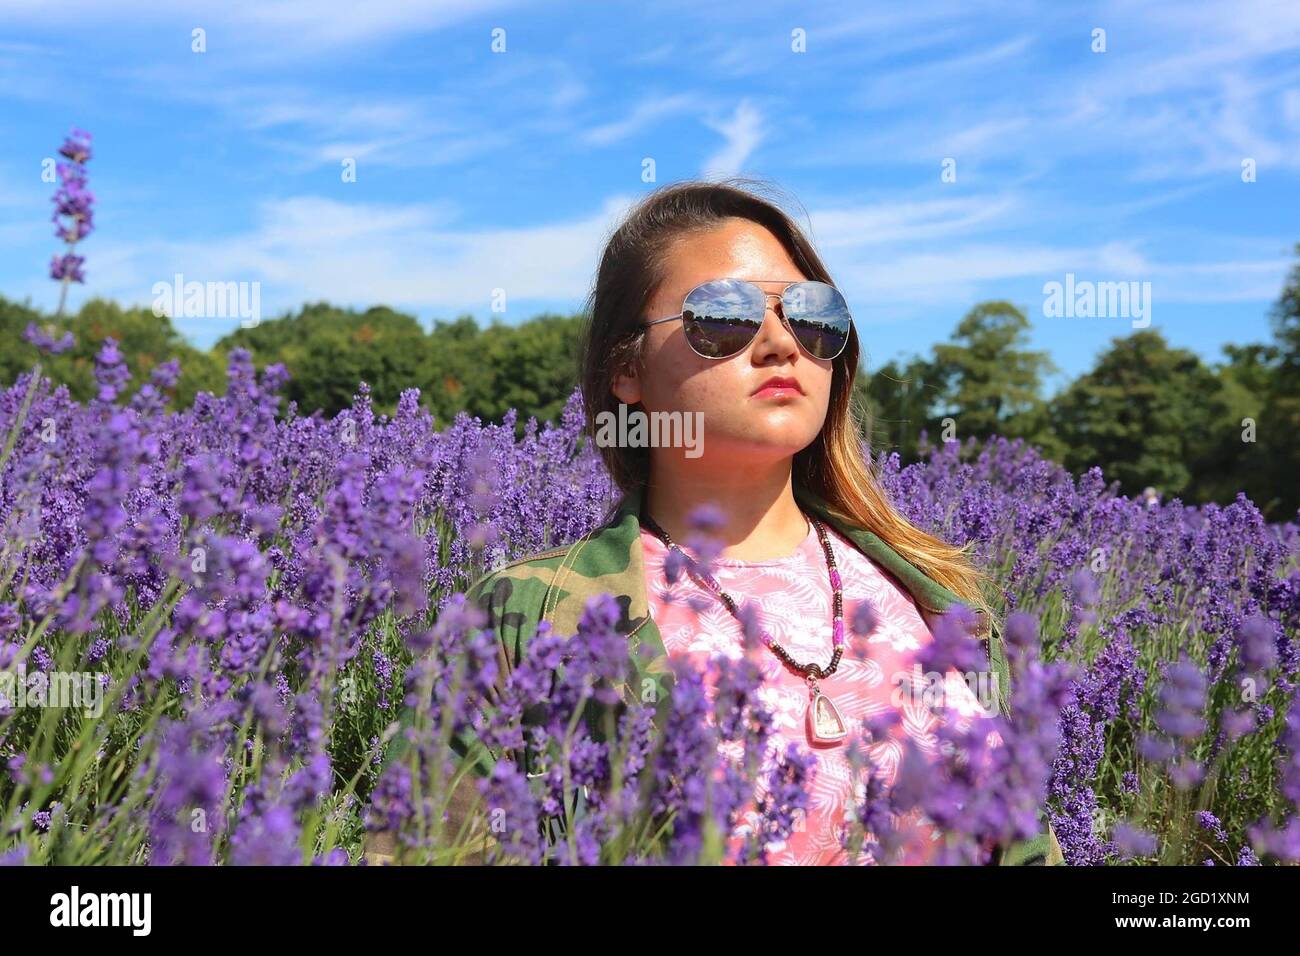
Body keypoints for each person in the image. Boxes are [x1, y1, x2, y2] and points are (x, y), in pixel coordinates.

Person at [366, 178, 1064, 866]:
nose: (780, 343)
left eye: (812, 315)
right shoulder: (531, 617)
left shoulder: (938, 604)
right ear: (626, 370)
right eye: (722, 316)